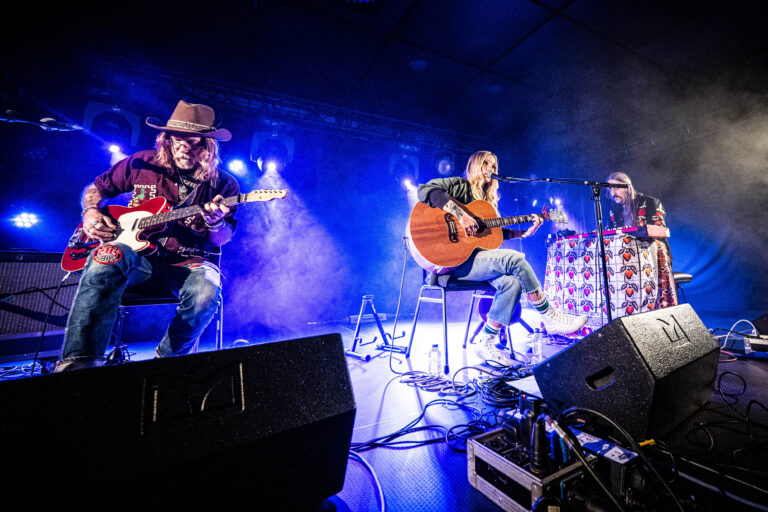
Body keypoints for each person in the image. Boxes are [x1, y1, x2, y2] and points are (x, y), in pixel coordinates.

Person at [54, 100, 240, 372]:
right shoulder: (141, 163)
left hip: (188, 263)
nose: (187, 147)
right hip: (138, 259)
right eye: (180, 140)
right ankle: (80, 365)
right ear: (166, 138)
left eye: (196, 142)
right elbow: (96, 189)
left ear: (209, 145)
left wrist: (215, 222)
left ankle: (165, 365)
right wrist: (90, 212)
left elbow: (221, 238)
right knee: (105, 254)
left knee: (206, 292)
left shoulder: (223, 184)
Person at [417, 151, 587, 366]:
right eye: (486, 163)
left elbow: (494, 235)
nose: (491, 168)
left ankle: (486, 342)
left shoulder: (489, 203)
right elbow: (426, 190)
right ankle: (549, 315)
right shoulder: (460, 186)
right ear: (475, 165)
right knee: (516, 259)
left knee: (512, 282)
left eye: (495, 165)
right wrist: (462, 215)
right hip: (453, 264)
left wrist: (522, 233)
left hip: (480, 261)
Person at [605, 171, 676, 307]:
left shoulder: (650, 202)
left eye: (617, 187)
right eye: (610, 188)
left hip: (653, 257)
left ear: (628, 187)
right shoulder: (614, 210)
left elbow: (660, 232)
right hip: (626, 260)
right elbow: (610, 234)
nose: (613, 192)